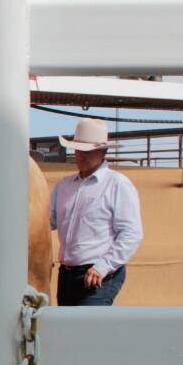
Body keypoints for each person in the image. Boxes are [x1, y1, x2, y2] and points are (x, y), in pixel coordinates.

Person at [49, 119, 143, 309]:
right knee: (70, 331)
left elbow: (132, 233)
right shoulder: (64, 186)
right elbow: (48, 221)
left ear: (102, 152)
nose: (80, 155)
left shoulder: (117, 184)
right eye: (77, 149)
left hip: (99, 274)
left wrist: (103, 266)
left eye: (87, 151)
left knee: (87, 330)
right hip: (67, 273)